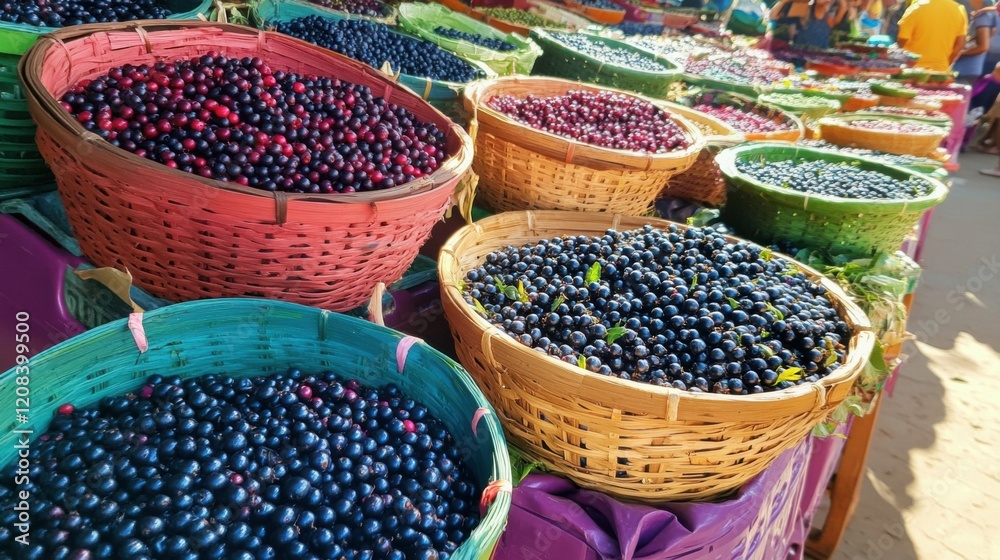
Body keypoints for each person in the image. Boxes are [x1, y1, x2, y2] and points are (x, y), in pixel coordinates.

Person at [896, 0, 969, 72]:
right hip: (941, 72)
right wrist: (945, 64)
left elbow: (902, 40)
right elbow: (960, 44)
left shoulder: (915, 8)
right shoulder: (959, 9)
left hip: (914, 72)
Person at [770, 0, 849, 49]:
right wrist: (783, 1)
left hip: (821, 55)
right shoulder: (804, 8)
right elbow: (773, 16)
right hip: (800, 54)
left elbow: (844, 7)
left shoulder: (829, 17)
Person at [954, 1, 1000, 81]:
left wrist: (958, 52)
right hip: (982, 65)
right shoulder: (990, 15)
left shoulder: (984, 15)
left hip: (969, 68)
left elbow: (983, 47)